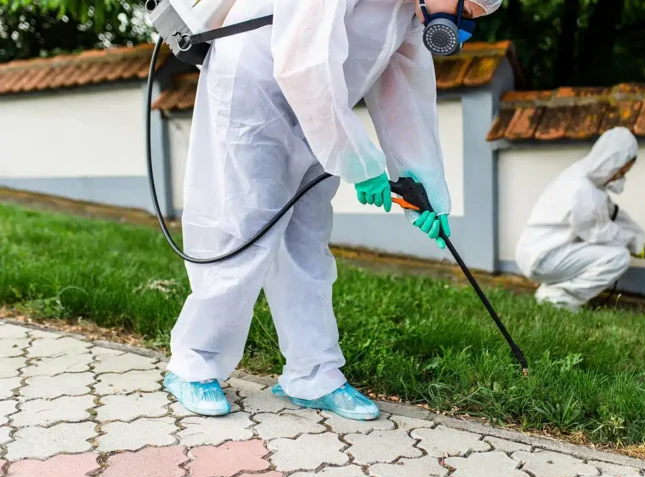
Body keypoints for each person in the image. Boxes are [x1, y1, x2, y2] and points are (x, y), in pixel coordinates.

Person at [163, 0, 503, 420]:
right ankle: (194, 361)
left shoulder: (410, 15)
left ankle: (313, 373)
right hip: (256, 90)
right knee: (245, 227)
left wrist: (426, 191)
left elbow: (404, 100)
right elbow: (304, 61)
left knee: (307, 239)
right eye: (465, 11)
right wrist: (358, 162)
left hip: (320, 112)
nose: (461, 26)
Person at [514, 127, 645, 312]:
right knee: (618, 257)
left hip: (542, 252)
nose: (620, 177)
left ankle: (553, 292)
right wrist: (634, 244)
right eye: (620, 172)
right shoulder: (582, 190)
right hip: (543, 258)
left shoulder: (586, 179)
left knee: (613, 250)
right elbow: (599, 234)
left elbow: (615, 215)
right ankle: (557, 299)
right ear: (611, 163)